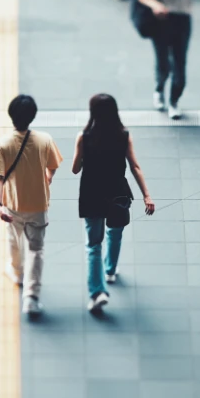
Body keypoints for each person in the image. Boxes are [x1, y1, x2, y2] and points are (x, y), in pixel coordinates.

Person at [72, 94, 155, 315]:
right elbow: (135, 167)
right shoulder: (123, 135)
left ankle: (97, 292)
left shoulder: (84, 137)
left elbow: (75, 168)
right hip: (118, 193)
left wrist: (81, 151)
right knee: (115, 232)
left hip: (92, 194)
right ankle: (110, 270)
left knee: (93, 245)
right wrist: (147, 195)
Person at [0, 95, 63, 317]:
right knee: (36, 249)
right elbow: (53, 166)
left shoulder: (1, 144)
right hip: (38, 205)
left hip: (13, 206)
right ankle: (31, 296)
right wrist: (48, 177)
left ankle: (17, 272)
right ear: (33, 116)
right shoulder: (44, 140)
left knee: (14, 239)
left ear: (11, 116)